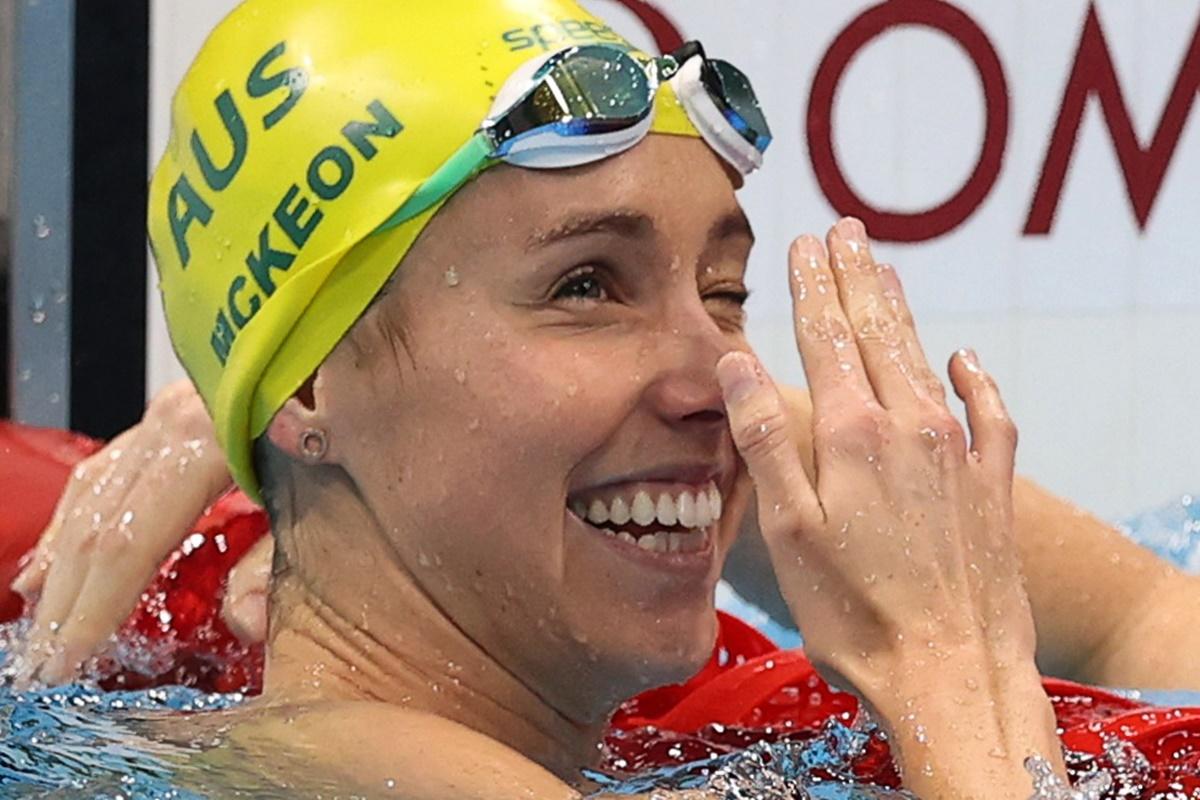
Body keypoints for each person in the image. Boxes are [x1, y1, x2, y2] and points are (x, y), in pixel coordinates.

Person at [7, 0, 1200, 796]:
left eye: (722, 290)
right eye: (587, 286)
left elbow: (1155, 614)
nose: (725, 390)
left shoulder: (595, 687)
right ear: (312, 380)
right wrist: (950, 660)